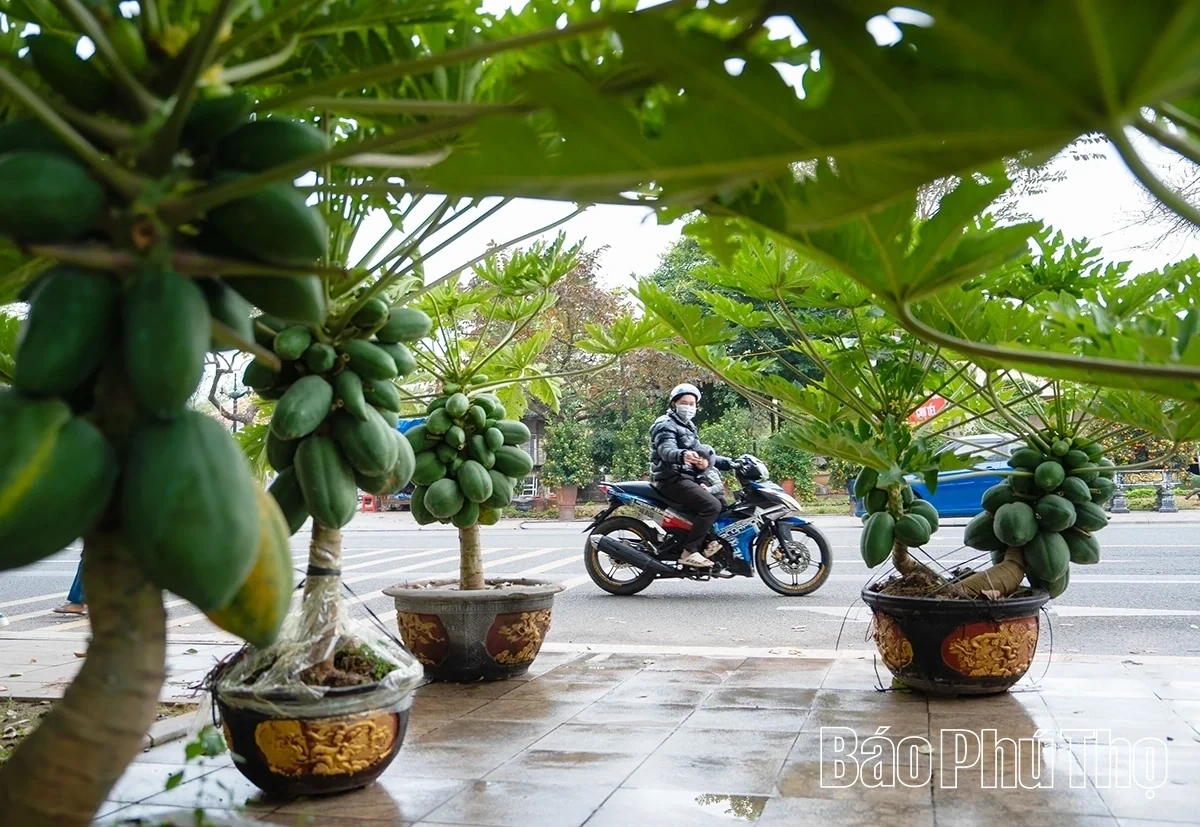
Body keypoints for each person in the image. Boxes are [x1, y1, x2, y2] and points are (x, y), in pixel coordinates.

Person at [650, 384, 733, 568]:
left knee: (722, 501)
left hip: (686, 477)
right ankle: (690, 551)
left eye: (692, 403)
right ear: (674, 404)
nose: (688, 407)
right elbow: (666, 450)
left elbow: (703, 454)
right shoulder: (665, 424)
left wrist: (733, 462)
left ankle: (710, 542)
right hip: (670, 478)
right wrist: (682, 455)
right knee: (712, 505)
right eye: (683, 402)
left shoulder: (688, 426)